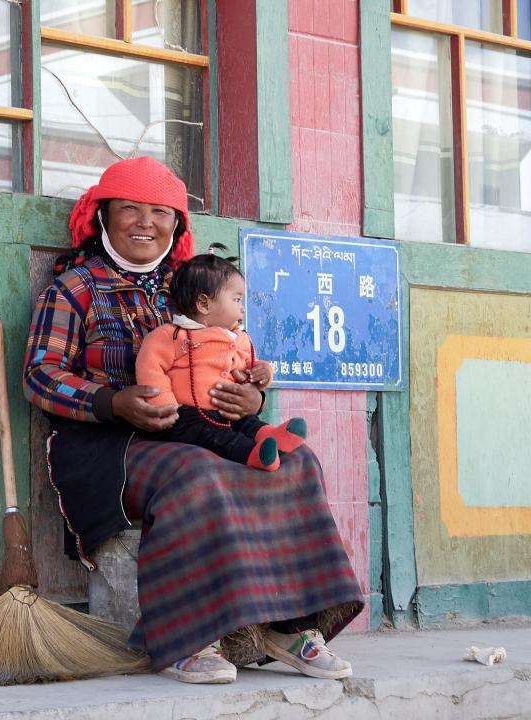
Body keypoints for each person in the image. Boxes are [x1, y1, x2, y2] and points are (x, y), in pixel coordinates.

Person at [23, 156, 363, 685]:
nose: (144, 222)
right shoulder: (73, 289)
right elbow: (40, 376)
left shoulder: (190, 287)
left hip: (202, 429)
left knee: (297, 463)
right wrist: (113, 402)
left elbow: (231, 363)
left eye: (160, 212)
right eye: (128, 209)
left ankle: (290, 628)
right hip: (106, 445)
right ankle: (187, 639)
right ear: (102, 217)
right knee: (196, 474)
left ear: (176, 225)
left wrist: (249, 402)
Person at [135, 252, 308, 472]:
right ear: (203, 304)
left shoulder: (237, 337)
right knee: (214, 436)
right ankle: (251, 454)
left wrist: (263, 372)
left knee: (246, 422)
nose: (242, 308)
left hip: (228, 412)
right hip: (187, 417)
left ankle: (270, 436)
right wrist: (165, 405)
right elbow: (151, 365)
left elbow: (249, 364)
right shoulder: (172, 335)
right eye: (236, 300)